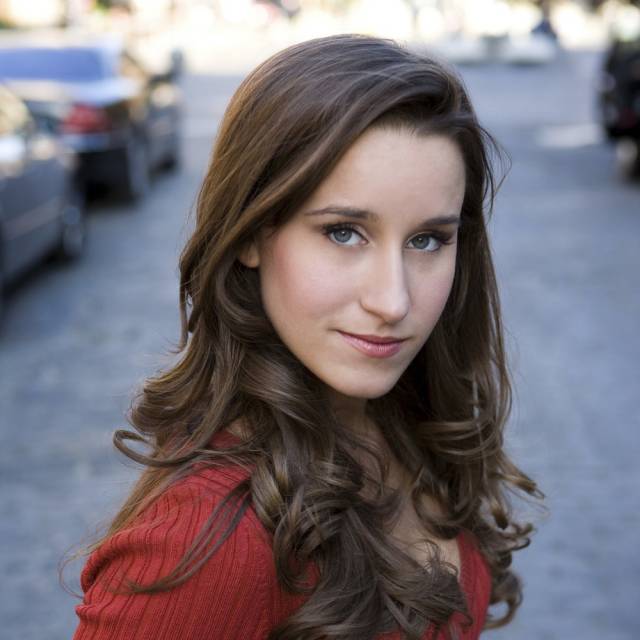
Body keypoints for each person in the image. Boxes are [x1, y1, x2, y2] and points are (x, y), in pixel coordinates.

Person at [67, 34, 542, 640]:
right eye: (343, 232)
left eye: (427, 240)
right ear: (249, 233)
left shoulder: (407, 421)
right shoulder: (206, 544)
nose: (393, 301)